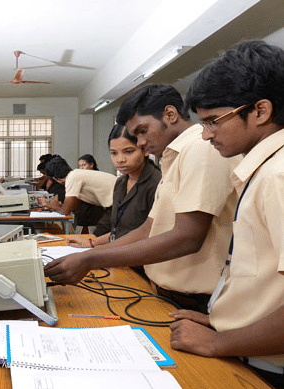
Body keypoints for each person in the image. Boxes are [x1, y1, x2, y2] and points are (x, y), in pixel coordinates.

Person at [44, 84, 241, 315]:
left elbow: (187, 237)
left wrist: (90, 260)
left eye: (143, 130)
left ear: (170, 115)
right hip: (168, 292)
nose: (140, 143)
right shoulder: (172, 158)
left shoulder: (200, 149)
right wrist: (89, 254)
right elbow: (148, 229)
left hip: (199, 299)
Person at [168, 41, 284, 386]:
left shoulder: (278, 176)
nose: (205, 135)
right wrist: (227, 319)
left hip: (268, 368)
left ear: (260, 111)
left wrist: (219, 341)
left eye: (213, 121)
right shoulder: (264, 169)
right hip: (249, 346)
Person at [68, 125, 162, 248]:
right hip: (120, 255)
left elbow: (149, 234)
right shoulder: (121, 182)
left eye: (129, 151)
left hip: (143, 260)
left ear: (145, 150)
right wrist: (92, 242)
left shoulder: (157, 184)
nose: (120, 159)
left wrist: (99, 251)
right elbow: (118, 231)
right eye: (114, 153)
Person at [44, 156, 116, 231]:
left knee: (101, 231)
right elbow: (74, 206)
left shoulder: (72, 178)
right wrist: (59, 206)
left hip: (118, 199)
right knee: (101, 231)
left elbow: (65, 211)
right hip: (116, 200)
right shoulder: (75, 174)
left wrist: (56, 207)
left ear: (56, 179)